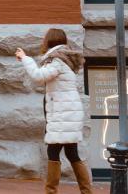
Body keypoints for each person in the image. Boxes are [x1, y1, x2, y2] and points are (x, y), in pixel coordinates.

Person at [16, 29, 92, 194]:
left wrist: (25, 58)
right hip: (66, 111)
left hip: (63, 113)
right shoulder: (63, 59)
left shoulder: (57, 60)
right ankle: (86, 191)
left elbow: (38, 76)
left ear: (48, 41)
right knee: (72, 153)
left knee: (54, 151)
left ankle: (51, 191)